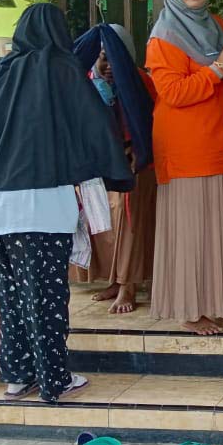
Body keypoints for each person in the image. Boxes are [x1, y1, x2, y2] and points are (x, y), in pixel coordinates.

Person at [0, 3, 134, 403]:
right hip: (37, 205)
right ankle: (55, 380)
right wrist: (118, 170)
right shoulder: (59, 67)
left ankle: (18, 376)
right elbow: (90, 122)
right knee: (46, 295)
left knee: (9, 294)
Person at [144, 0, 223, 336]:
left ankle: (222, 301)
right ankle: (189, 309)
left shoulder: (217, 24)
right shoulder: (164, 36)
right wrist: (219, 67)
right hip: (187, 147)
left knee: (220, 227)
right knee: (193, 231)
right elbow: (173, 93)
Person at [71, 23, 157, 314]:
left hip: (135, 165)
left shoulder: (140, 82)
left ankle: (128, 285)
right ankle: (113, 279)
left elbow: (149, 126)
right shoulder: (85, 83)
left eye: (113, 57)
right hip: (98, 168)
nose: (107, 65)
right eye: (101, 58)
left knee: (129, 226)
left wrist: (136, 151)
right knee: (103, 227)